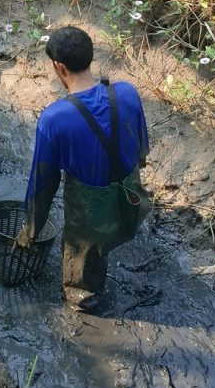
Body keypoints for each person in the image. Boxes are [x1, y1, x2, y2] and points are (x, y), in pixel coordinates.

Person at [16, 26, 150, 310]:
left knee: (82, 268)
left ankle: (84, 303)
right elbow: (142, 150)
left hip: (90, 219)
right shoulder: (127, 93)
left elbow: (43, 185)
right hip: (132, 203)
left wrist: (30, 230)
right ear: (91, 56)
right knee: (110, 233)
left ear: (59, 67)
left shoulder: (54, 119)